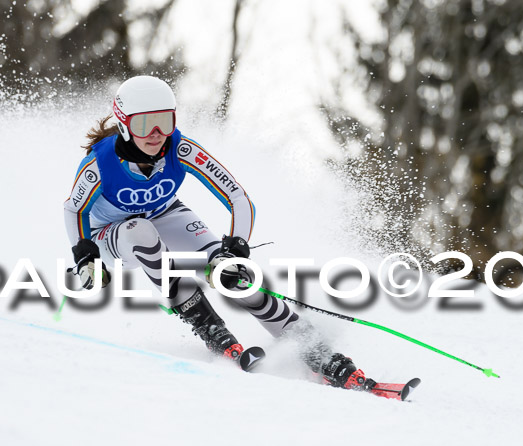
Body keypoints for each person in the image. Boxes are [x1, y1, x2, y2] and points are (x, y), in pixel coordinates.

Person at [63, 75, 373, 390]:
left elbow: (238, 197)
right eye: (145, 125)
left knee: (232, 275)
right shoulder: (100, 164)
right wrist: (84, 255)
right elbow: (74, 209)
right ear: (125, 124)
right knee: (141, 230)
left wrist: (234, 250)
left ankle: (318, 353)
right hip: (111, 236)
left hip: (163, 213)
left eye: (165, 122)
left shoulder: (180, 149)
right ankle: (208, 326)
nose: (157, 134)